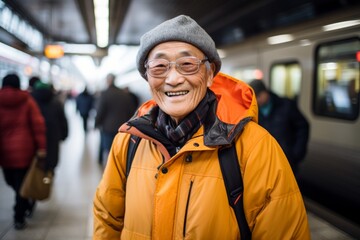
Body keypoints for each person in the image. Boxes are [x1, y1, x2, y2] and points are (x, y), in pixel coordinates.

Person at [93, 15, 310, 239]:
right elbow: (107, 218)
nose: (174, 78)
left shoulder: (255, 148)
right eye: (159, 66)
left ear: (209, 74)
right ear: (147, 77)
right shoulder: (129, 142)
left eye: (187, 65)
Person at [0, 73, 47, 230]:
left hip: (4, 152)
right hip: (25, 150)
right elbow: (38, 125)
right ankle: (21, 211)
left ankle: (20, 211)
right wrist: (41, 148)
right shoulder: (27, 100)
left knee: (11, 180)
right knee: (21, 183)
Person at [248, 79, 310, 175]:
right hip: (265, 164)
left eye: (258, 96)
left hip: (288, 161)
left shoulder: (286, 105)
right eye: (254, 98)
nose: (256, 100)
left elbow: (302, 127)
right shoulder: (253, 111)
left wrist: (297, 153)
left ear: (265, 92)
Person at [95, 74, 138, 165]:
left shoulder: (105, 94)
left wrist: (96, 123)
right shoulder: (124, 94)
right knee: (120, 148)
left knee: (108, 149)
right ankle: (120, 167)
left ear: (107, 81)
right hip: (122, 127)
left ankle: (110, 169)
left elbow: (100, 111)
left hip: (107, 127)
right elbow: (131, 111)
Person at [31, 81, 68, 172]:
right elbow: (63, 121)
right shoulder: (56, 103)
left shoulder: (31, 103)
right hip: (53, 137)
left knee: (36, 166)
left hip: (35, 140)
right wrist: (64, 135)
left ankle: (37, 183)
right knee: (51, 164)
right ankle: (47, 180)